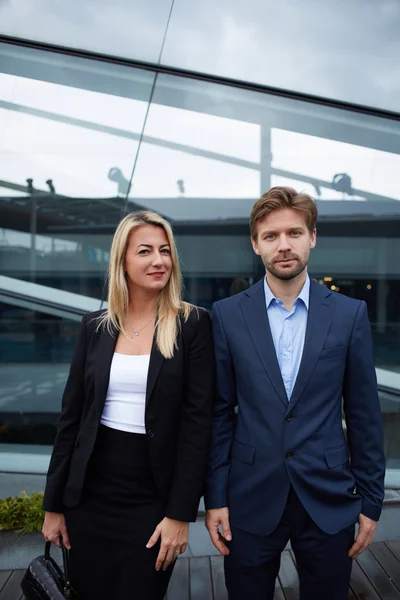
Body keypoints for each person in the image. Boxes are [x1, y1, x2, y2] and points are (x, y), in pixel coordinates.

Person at [205, 187, 385, 600]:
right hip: (248, 498)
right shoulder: (227, 315)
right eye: (271, 236)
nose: (283, 245)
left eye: (294, 233)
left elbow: (363, 413)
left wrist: (371, 500)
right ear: (255, 244)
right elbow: (218, 412)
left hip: (328, 497)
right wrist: (215, 497)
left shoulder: (349, 313)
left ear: (312, 237)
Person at [42, 210, 214, 600]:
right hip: (88, 499)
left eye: (165, 250)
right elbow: (71, 420)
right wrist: (53, 506)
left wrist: (180, 514)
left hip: (152, 502)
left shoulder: (192, 325)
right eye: (145, 251)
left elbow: (197, 425)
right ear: (122, 260)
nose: (159, 260)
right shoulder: (95, 326)